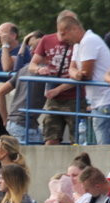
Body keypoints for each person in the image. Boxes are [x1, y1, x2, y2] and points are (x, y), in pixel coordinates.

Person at [61, 15, 110, 145]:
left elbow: (86, 74)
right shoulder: (78, 45)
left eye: (64, 34)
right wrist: (77, 74)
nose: (62, 38)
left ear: (74, 29)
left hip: (106, 102)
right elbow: (71, 69)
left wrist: (78, 74)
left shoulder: (89, 41)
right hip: (97, 103)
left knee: (105, 147)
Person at [30, 13, 78, 145]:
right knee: (50, 138)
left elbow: (81, 75)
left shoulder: (79, 42)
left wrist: (58, 89)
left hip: (75, 97)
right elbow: (32, 65)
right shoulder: (47, 40)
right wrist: (39, 69)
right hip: (53, 98)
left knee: (77, 139)